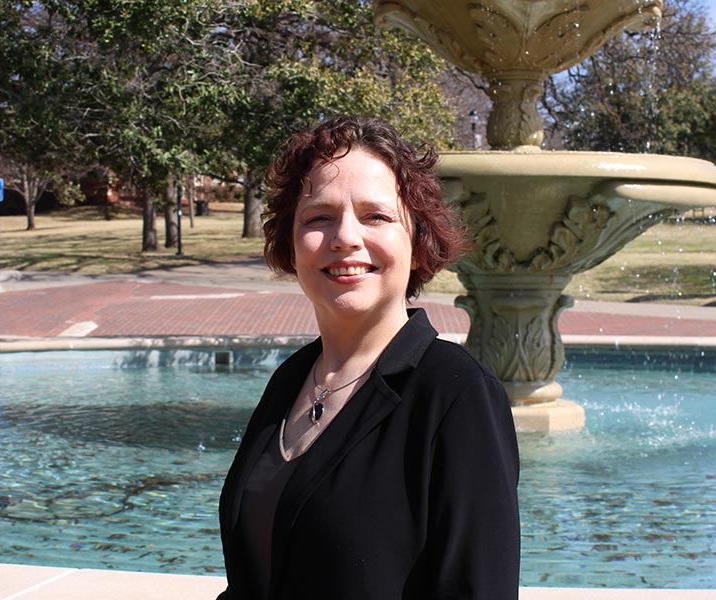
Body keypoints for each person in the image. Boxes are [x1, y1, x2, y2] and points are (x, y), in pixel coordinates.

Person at [217, 116, 520, 600]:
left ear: (418, 244)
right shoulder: (290, 379)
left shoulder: (457, 395)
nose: (344, 237)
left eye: (375, 216)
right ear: (291, 245)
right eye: (319, 217)